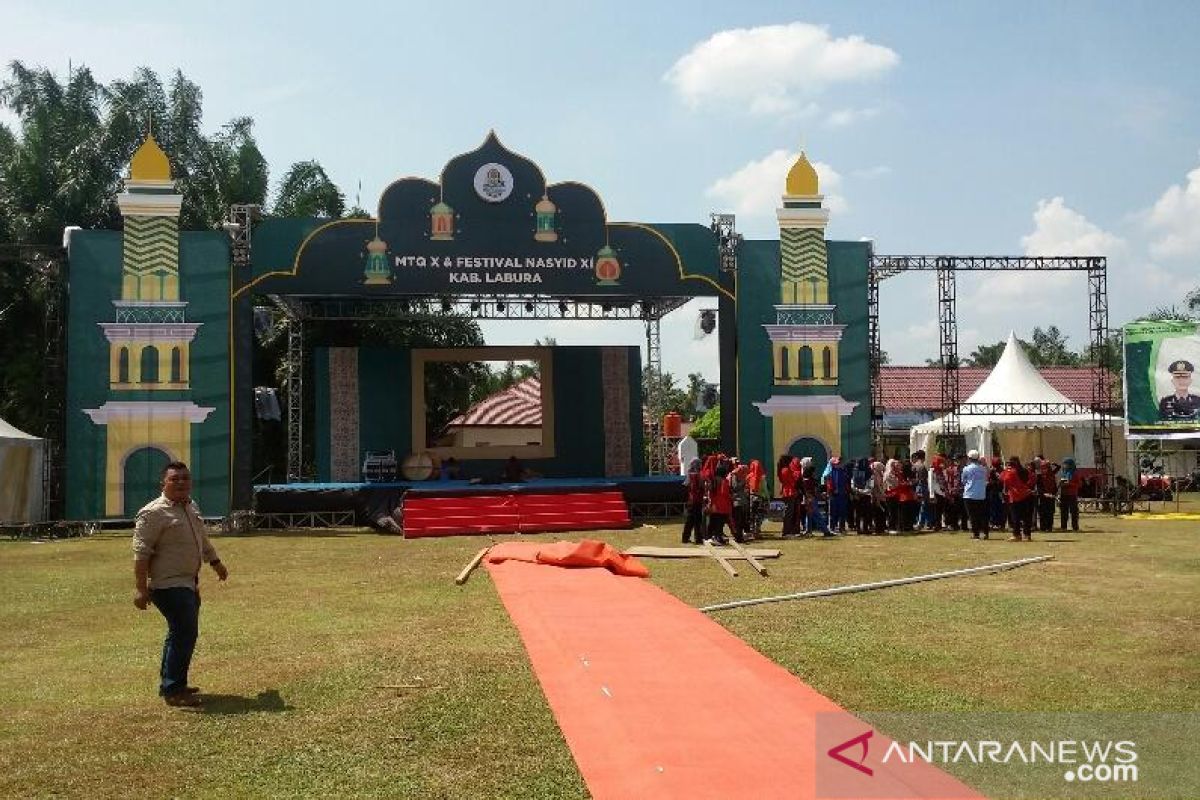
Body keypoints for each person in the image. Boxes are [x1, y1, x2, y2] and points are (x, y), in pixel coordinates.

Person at [132, 461, 228, 707]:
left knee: (181, 634)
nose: (181, 483)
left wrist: (215, 562)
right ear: (163, 483)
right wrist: (141, 589)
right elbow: (141, 553)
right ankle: (174, 689)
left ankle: (174, 684)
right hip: (167, 584)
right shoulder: (153, 513)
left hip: (188, 581)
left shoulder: (190, 506)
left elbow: (201, 539)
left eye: (185, 478)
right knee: (184, 632)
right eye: (174, 479)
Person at [1000, 456, 1034, 541]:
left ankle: (1017, 535)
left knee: (1015, 517)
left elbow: (1002, 479)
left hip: (1015, 497)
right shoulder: (1025, 471)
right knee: (1026, 517)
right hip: (1026, 495)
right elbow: (1031, 480)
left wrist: (1006, 470)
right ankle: (1027, 535)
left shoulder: (1010, 473)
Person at [961, 449, 989, 539]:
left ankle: (975, 533)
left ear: (969, 458)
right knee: (982, 514)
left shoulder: (966, 469)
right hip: (981, 494)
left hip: (969, 494)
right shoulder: (983, 469)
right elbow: (986, 479)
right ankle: (985, 532)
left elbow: (963, 481)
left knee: (972, 515)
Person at [681, 457, 705, 545]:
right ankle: (698, 539)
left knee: (689, 520)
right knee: (698, 521)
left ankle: (685, 538)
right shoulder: (699, 474)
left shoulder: (689, 474)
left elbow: (685, 486)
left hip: (691, 501)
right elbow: (702, 486)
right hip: (698, 500)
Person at [1058, 457, 1082, 531]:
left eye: (1066, 464)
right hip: (1064, 494)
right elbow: (1062, 481)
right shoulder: (1063, 473)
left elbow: (1079, 484)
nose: (1064, 465)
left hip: (1072, 495)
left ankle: (1075, 527)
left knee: (1074, 512)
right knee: (1063, 512)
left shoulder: (1075, 473)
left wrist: (1070, 483)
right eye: (1064, 464)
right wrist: (1061, 484)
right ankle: (1063, 527)